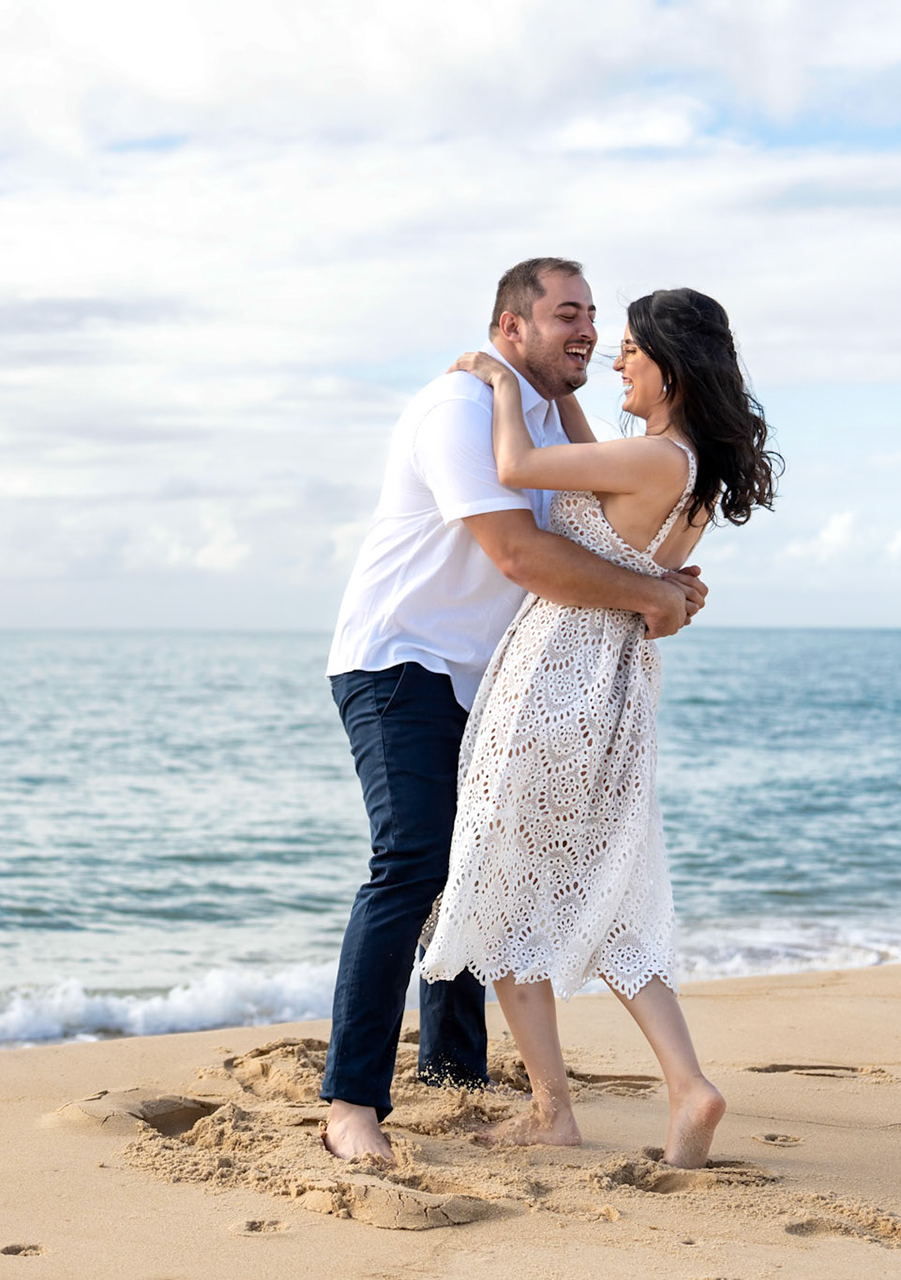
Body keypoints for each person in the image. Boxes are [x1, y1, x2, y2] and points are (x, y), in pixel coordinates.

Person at [320, 258, 709, 1164]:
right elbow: (521, 556)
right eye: (567, 314)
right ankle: (350, 1100)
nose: (588, 333)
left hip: (491, 678)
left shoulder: (546, 422)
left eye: (594, 316)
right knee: (414, 860)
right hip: (400, 659)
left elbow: (601, 540)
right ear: (511, 329)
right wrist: (651, 596)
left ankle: (456, 1072)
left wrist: (658, 588)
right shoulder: (461, 410)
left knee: (477, 869)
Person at [420, 286, 781, 1169]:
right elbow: (593, 461)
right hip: (615, 680)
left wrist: (503, 384)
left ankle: (553, 1109)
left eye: (628, 349)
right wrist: (564, 394)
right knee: (605, 895)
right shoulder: (683, 463)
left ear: (669, 363)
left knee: (502, 888)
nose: (614, 361)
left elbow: (515, 469)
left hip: (556, 673)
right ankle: (686, 1086)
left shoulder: (653, 460)